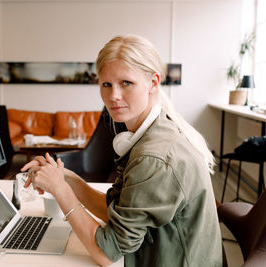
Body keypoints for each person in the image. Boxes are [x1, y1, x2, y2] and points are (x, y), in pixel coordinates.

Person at [22, 34, 223, 267]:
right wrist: (67, 179)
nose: (113, 96)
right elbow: (119, 211)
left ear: (153, 83)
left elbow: (106, 254)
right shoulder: (154, 133)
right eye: (106, 84)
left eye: (126, 83)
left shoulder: (154, 157)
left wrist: (59, 190)